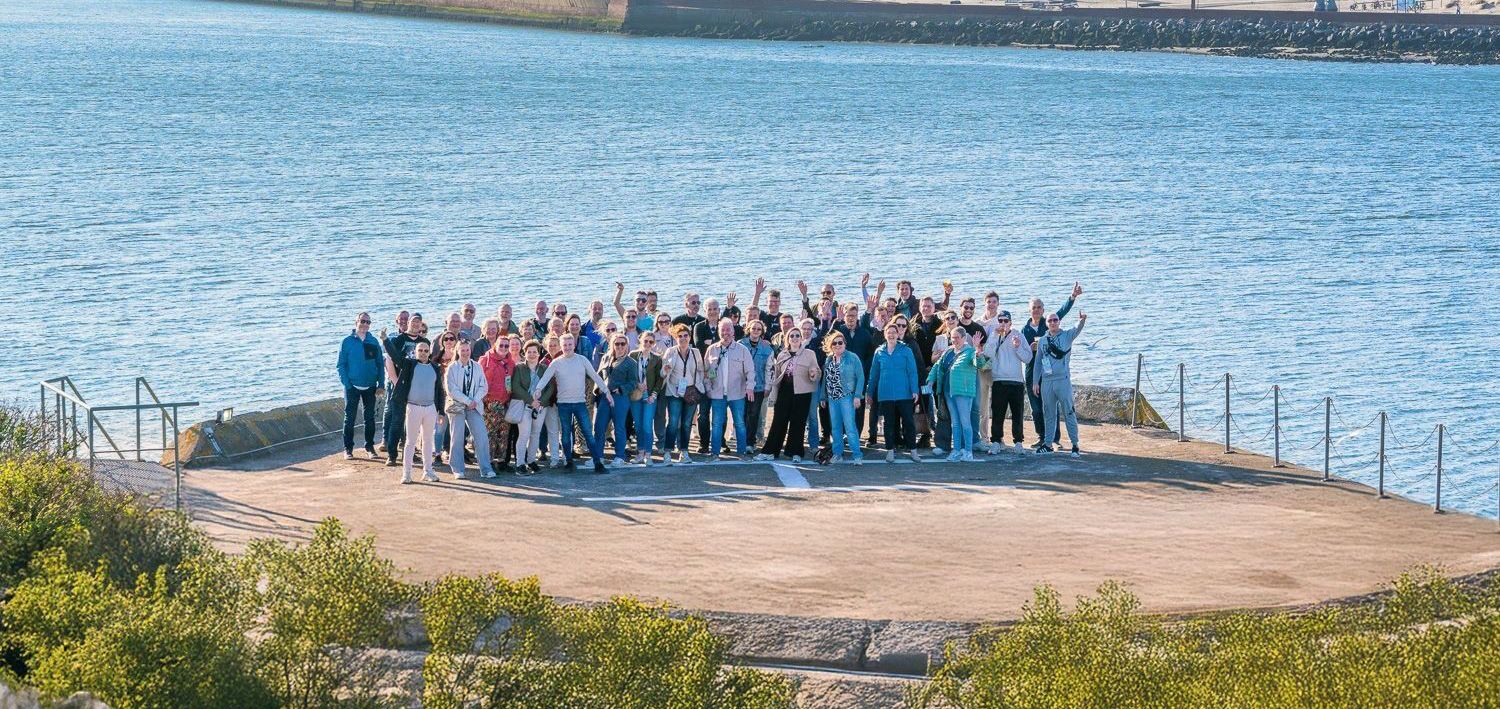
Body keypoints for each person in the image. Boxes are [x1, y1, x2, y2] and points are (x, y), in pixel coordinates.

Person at [532, 333, 613, 474]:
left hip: (580, 403)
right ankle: (568, 461)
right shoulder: (556, 362)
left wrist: (606, 391)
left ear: (574, 345)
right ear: (561, 346)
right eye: (565, 345)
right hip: (563, 404)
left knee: (588, 433)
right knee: (565, 434)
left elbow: (595, 375)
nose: (567, 347)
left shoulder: (582, 360)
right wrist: (538, 389)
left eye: (570, 345)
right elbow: (545, 378)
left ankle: (597, 462)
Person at [1022, 283, 1082, 450]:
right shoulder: (1024, 329)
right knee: (1037, 408)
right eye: (1034, 307)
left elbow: (1062, 311)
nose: (1036, 310)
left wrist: (1072, 297)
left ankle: (1054, 439)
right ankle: (1042, 437)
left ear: (1043, 310)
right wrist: (1029, 347)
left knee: (1055, 407)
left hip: (1053, 373)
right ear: (1030, 310)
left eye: (1039, 307)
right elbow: (1021, 349)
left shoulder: (1048, 323)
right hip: (1032, 369)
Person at [754, 327, 819, 463]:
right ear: (787, 339)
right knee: (779, 421)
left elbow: (816, 371)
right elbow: (777, 374)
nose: (794, 338)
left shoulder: (809, 353)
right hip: (785, 390)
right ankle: (770, 451)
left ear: (801, 338)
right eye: (792, 336)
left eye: (797, 335)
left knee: (798, 422)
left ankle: (795, 452)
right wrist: (773, 393)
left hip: (802, 392)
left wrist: (813, 373)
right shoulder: (782, 354)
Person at [1032, 311, 1088, 457]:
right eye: (1050, 321)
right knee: (1049, 413)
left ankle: (1075, 444)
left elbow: (1077, 329)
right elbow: (1038, 362)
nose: (1052, 323)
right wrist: (1035, 382)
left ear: (1059, 321)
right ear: (1046, 323)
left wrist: (1081, 320)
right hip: (1047, 381)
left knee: (1069, 411)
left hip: (1062, 380)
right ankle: (1048, 444)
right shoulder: (1043, 340)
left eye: (1055, 320)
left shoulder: (1066, 336)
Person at [868, 322, 921, 463]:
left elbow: (912, 372)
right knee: (889, 423)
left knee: (909, 422)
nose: (891, 335)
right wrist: (869, 392)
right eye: (888, 332)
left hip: (904, 393)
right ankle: (890, 450)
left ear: (898, 334)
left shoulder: (906, 350)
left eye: (894, 332)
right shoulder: (879, 352)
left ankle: (913, 450)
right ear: (885, 335)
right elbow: (874, 374)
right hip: (885, 394)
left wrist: (915, 390)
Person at [705, 318, 756, 459]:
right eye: (723, 330)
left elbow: (750, 371)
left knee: (739, 423)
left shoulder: (742, 350)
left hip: (737, 394)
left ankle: (742, 452)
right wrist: (708, 388)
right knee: (716, 424)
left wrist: (749, 387)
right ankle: (715, 453)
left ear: (733, 332)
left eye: (728, 330)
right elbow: (706, 371)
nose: (725, 332)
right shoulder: (712, 350)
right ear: (719, 332)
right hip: (717, 394)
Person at [983, 310, 1033, 454]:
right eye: (1000, 320)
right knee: (997, 414)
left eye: (1006, 321)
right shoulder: (994, 335)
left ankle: (1018, 442)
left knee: (1018, 414)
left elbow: (1028, 358)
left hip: (1016, 381)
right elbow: (987, 354)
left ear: (1011, 322)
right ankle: (996, 442)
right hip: (999, 380)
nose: (1003, 323)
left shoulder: (1018, 334)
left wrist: (1018, 347)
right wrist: (994, 336)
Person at [337, 312, 385, 460]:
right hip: (352, 386)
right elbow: (341, 365)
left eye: (368, 322)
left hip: (370, 386)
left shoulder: (373, 341)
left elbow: (379, 364)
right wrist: (347, 384)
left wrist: (381, 384)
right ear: (356, 322)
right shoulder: (347, 341)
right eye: (362, 321)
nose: (365, 324)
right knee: (349, 418)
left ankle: (369, 447)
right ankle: (348, 449)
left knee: (369, 418)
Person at [383, 314, 429, 466]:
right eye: (413, 321)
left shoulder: (424, 342)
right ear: (408, 323)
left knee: (413, 424)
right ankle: (392, 454)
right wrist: (395, 381)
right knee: (397, 420)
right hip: (399, 384)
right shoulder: (398, 340)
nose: (416, 324)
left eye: (419, 322)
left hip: (417, 387)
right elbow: (389, 359)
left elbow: (427, 364)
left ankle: (409, 454)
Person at [444, 339, 495, 479]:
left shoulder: (477, 367)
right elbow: (451, 389)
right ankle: (458, 469)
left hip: (474, 406)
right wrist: (466, 400)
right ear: (457, 351)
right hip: (457, 406)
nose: (465, 353)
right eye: (462, 350)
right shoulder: (452, 368)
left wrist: (475, 400)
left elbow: (483, 386)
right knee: (457, 437)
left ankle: (486, 469)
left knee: (481, 436)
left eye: (467, 350)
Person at [396, 341, 443, 484]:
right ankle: (406, 474)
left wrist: (441, 412)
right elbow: (395, 357)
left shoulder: (435, 367)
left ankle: (428, 471)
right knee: (410, 442)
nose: (423, 353)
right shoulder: (410, 365)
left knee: (428, 441)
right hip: (413, 407)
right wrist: (385, 341)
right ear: (416, 352)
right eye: (420, 350)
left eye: (425, 350)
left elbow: (439, 391)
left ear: (429, 352)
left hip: (430, 408)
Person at [660, 324, 705, 465]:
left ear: (690, 337)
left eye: (686, 335)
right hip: (674, 392)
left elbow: (700, 371)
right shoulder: (670, 352)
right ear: (675, 338)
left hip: (691, 392)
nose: (683, 338)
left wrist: (698, 386)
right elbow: (662, 373)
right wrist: (666, 370)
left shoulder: (695, 352)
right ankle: (667, 452)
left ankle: (684, 452)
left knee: (686, 423)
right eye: (680, 336)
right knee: (673, 422)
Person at [834, 302, 877, 444]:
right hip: (840, 378)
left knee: (858, 407)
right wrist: (836, 322)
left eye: (853, 315)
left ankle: (856, 436)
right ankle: (842, 435)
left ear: (857, 316)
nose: (851, 319)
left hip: (859, 378)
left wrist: (864, 370)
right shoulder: (839, 332)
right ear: (844, 316)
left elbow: (871, 354)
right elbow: (827, 345)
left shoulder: (864, 333)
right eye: (848, 315)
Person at [594, 335, 640, 467]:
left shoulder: (631, 363)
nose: (619, 346)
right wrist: (598, 389)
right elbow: (598, 376)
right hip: (604, 397)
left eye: (622, 344)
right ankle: (598, 456)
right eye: (617, 344)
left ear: (627, 345)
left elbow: (633, 382)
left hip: (620, 398)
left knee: (619, 427)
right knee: (599, 427)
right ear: (612, 345)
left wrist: (620, 390)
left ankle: (620, 456)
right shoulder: (606, 358)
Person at [938, 329, 982, 462]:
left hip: (963, 391)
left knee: (965, 422)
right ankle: (956, 450)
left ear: (964, 338)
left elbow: (979, 364)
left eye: (957, 337)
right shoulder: (949, 351)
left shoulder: (969, 351)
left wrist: (977, 349)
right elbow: (938, 366)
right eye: (952, 338)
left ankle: (968, 451)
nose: (954, 340)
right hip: (949, 391)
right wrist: (930, 381)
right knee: (955, 423)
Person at [821, 331, 866, 465]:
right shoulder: (829, 359)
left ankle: (857, 455)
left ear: (845, 344)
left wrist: (858, 396)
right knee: (835, 428)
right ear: (830, 345)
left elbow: (861, 377)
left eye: (840, 342)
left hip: (847, 397)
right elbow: (825, 379)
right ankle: (837, 454)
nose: (837, 345)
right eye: (834, 343)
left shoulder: (852, 357)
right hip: (832, 398)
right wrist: (823, 396)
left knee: (850, 426)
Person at [509, 340, 551, 474]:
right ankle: (520, 463)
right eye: (529, 352)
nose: (532, 354)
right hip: (524, 405)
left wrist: (541, 403)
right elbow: (516, 387)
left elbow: (551, 387)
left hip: (540, 407)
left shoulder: (544, 369)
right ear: (525, 353)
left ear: (539, 354)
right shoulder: (519, 368)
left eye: (535, 352)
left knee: (535, 434)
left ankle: (532, 461)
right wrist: (530, 401)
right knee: (524, 434)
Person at [478, 329, 516, 471]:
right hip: (489, 402)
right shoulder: (485, 360)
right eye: (501, 345)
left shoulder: (510, 362)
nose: (504, 348)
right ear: (495, 345)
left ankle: (501, 461)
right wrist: (483, 401)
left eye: (507, 346)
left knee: (504, 433)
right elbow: (479, 381)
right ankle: (488, 461)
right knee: (490, 433)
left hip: (505, 402)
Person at [629, 331, 665, 465]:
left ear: (654, 344)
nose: (648, 344)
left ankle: (648, 454)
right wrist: (636, 384)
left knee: (646, 426)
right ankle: (640, 452)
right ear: (640, 340)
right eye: (646, 341)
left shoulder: (656, 359)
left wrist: (653, 395)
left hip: (650, 397)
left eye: (651, 342)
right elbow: (629, 375)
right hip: (636, 395)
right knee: (638, 426)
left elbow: (659, 380)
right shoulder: (632, 356)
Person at [739, 319, 774, 449]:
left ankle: (750, 442)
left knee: (753, 415)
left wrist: (768, 386)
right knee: (742, 414)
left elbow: (769, 369)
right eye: (753, 328)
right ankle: (741, 441)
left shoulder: (767, 348)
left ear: (762, 331)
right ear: (749, 329)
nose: (756, 331)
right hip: (742, 386)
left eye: (759, 329)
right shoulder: (740, 345)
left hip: (758, 386)